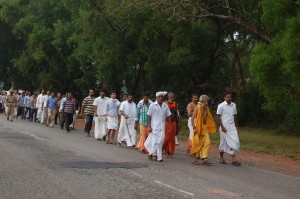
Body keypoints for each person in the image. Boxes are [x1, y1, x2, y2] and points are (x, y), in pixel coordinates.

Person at [144, 91, 172, 162]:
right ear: (156, 97)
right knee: (155, 141)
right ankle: (155, 155)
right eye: (159, 97)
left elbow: (168, 116)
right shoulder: (152, 105)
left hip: (162, 127)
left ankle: (155, 155)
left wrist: (170, 125)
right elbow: (149, 116)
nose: (160, 98)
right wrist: (149, 126)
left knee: (160, 141)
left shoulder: (165, 106)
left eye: (162, 97)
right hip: (154, 127)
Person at [217, 92, 241, 166]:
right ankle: (221, 158)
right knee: (223, 142)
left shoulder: (234, 105)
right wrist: (222, 127)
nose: (229, 98)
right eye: (227, 97)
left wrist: (236, 126)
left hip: (232, 127)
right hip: (224, 127)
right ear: (224, 98)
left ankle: (233, 159)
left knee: (235, 142)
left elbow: (235, 116)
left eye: (230, 97)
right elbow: (218, 117)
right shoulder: (221, 106)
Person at [191, 95, 217, 165]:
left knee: (207, 142)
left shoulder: (207, 108)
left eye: (207, 101)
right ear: (201, 102)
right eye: (205, 101)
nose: (206, 103)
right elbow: (192, 118)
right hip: (198, 127)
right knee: (196, 143)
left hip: (205, 128)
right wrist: (194, 128)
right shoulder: (197, 108)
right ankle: (194, 159)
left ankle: (204, 158)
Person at [163, 92, 180, 159]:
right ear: (168, 97)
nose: (172, 99)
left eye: (173, 97)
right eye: (171, 97)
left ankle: (169, 152)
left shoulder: (175, 104)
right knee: (167, 137)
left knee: (172, 138)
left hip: (173, 122)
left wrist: (178, 122)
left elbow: (176, 113)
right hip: (166, 122)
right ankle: (163, 147)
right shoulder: (164, 104)